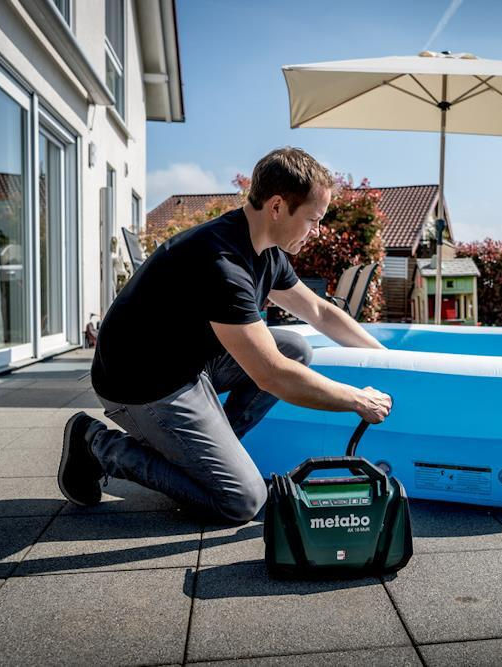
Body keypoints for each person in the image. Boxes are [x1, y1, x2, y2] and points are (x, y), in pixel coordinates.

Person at [58, 147, 392, 522]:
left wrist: (387, 359)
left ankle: (207, 460)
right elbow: (272, 375)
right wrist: (357, 400)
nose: (317, 231)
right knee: (241, 500)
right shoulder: (221, 262)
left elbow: (319, 311)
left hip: (186, 362)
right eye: (313, 220)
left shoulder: (264, 249)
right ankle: (96, 444)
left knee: (295, 348)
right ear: (277, 206)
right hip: (141, 384)